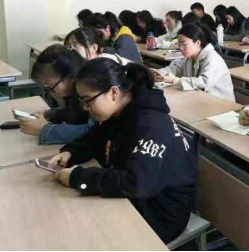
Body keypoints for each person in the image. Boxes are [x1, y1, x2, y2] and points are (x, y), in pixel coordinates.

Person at [47, 59, 197, 245]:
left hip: (160, 213)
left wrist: (78, 178)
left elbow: (136, 183)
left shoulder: (151, 125)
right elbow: (95, 138)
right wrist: (70, 152)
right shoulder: (121, 112)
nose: (86, 108)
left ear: (113, 92)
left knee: (82, 233)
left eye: (87, 101)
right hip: (139, 198)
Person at [23, 45, 93, 145]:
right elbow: (74, 112)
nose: (50, 92)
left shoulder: (91, 90)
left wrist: (45, 129)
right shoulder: (74, 89)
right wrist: (50, 114)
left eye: (51, 86)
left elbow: (91, 130)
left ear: (71, 77)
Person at [154, 24, 235, 102]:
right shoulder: (190, 57)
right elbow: (176, 68)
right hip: (201, 99)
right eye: (179, 44)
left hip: (221, 104)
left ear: (198, 43)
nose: (181, 48)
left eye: (184, 44)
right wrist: (159, 73)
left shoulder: (213, 59)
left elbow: (203, 83)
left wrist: (175, 80)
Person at [64, 28, 132, 65]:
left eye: (75, 45)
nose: (71, 49)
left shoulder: (105, 64)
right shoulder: (86, 63)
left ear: (94, 48)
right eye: (69, 46)